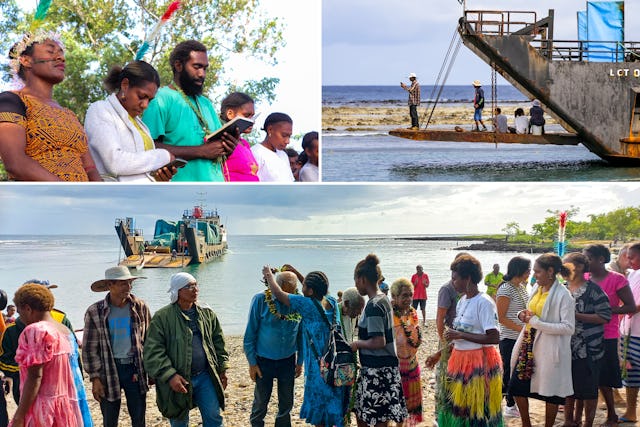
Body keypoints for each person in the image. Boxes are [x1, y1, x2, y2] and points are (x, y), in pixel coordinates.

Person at [0, 32, 101, 181]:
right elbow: (16, 163)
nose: (61, 58)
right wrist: (67, 192)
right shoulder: (11, 101)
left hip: (81, 201)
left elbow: (90, 168)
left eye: (61, 53)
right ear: (26, 60)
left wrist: (97, 197)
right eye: (50, 51)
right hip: (40, 200)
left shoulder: (69, 114)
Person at [262, 264, 348, 427]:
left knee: (320, 409)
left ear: (310, 290)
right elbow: (314, 290)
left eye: (305, 286)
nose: (302, 288)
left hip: (318, 366)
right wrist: (297, 273)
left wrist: (268, 276)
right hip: (335, 362)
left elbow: (279, 294)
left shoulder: (305, 305)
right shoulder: (330, 302)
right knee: (332, 405)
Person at [142, 40, 239, 182]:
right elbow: (149, 148)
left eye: (205, 68)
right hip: (180, 191)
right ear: (178, 65)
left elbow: (215, 149)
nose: (202, 74)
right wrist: (201, 151)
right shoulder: (160, 99)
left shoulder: (206, 104)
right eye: (197, 67)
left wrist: (228, 147)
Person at [425, 254, 502, 427]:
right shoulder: (462, 301)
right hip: (460, 361)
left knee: (476, 411)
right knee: (458, 409)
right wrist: (439, 354)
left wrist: (460, 335)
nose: (453, 283)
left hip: (479, 364)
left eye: (455, 278)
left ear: (468, 278)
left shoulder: (484, 303)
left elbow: (494, 337)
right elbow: (458, 336)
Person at [144, 273, 229, 427]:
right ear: (177, 292)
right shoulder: (162, 318)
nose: (195, 289)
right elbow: (153, 352)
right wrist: (170, 376)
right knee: (179, 420)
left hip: (205, 376)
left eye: (196, 285)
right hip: (179, 379)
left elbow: (218, 341)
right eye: (189, 286)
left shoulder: (206, 313)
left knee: (214, 417)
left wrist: (222, 368)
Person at [9, 283, 90, 426]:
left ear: (28, 309)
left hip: (42, 408)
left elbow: (35, 376)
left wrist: (19, 416)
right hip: (65, 406)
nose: (19, 317)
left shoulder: (36, 330)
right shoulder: (63, 330)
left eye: (20, 312)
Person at [509, 253, 575, 427]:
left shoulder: (564, 295)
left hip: (550, 348)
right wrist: (521, 315)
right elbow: (529, 312)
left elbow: (569, 328)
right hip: (528, 344)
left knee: (551, 392)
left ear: (550, 271)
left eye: (537, 272)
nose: (533, 276)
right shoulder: (536, 289)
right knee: (516, 386)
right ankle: (526, 424)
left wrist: (536, 322)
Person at [82, 266, 151, 427]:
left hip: (135, 368)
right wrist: (95, 378)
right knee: (110, 418)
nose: (128, 287)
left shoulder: (139, 307)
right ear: (110, 285)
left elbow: (149, 339)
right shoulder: (95, 311)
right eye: (123, 284)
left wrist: (152, 369)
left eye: (129, 283)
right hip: (108, 370)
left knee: (139, 417)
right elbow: (89, 348)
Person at [84, 61, 176, 182]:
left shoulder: (141, 125)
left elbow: (142, 170)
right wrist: (164, 156)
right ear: (125, 85)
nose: (145, 105)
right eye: (141, 96)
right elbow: (115, 162)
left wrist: (159, 177)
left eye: (150, 100)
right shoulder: (100, 110)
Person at [351, 254, 408, 426]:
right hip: (385, 370)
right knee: (369, 416)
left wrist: (356, 344)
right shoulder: (383, 299)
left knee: (376, 421)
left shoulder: (374, 306)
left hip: (378, 373)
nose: (355, 285)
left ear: (361, 279)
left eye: (355, 280)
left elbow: (379, 341)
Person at [0, 279, 76, 408]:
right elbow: (4, 361)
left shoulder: (62, 320)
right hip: (26, 391)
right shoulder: (12, 331)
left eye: (48, 292)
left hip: (63, 388)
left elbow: (73, 358)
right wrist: (25, 368)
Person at [583, 243, 635, 426]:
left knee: (604, 377)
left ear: (601, 260)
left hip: (607, 334)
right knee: (587, 376)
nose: (585, 261)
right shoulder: (584, 277)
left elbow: (629, 306)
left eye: (588, 258)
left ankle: (611, 414)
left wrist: (603, 311)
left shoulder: (617, 279)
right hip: (585, 334)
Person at [243, 270, 303, 427]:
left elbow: (301, 335)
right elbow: (250, 335)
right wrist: (252, 363)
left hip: (288, 360)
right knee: (261, 401)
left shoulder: (298, 302)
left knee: (286, 402)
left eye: (295, 288)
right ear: (279, 286)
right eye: (289, 288)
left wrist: (300, 361)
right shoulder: (260, 300)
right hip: (264, 360)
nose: (292, 293)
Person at [562, 252, 611, 427]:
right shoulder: (563, 288)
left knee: (589, 390)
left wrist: (576, 316)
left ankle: (587, 423)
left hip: (589, 348)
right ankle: (569, 420)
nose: (562, 268)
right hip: (566, 347)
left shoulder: (594, 290)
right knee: (568, 386)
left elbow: (605, 316)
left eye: (566, 264)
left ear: (580, 267)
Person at [495, 256, 531, 418]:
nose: (530, 272)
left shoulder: (521, 287)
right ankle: (509, 404)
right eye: (528, 269)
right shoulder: (505, 289)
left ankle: (512, 402)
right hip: (509, 338)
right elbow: (501, 317)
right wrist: (522, 329)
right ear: (520, 270)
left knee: (518, 371)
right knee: (509, 372)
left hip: (521, 337)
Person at [390, 278, 422, 426]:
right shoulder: (389, 315)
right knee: (396, 407)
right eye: (404, 295)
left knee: (409, 408)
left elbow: (415, 338)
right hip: (396, 368)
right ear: (394, 297)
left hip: (412, 365)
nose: (408, 299)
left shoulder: (413, 312)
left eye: (410, 295)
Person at [620, 242, 640, 423]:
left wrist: (632, 307)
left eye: (632, 257)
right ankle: (631, 411)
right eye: (627, 256)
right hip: (628, 331)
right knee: (631, 373)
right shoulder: (632, 274)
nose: (628, 260)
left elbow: (632, 304)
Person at [219, 92, 259, 181]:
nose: (252, 121)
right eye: (246, 115)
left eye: (253, 116)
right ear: (230, 114)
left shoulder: (245, 144)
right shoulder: (221, 140)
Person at [251, 113, 295, 182]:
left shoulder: (283, 155)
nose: (287, 141)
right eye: (284, 135)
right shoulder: (256, 153)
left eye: (289, 136)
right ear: (270, 130)